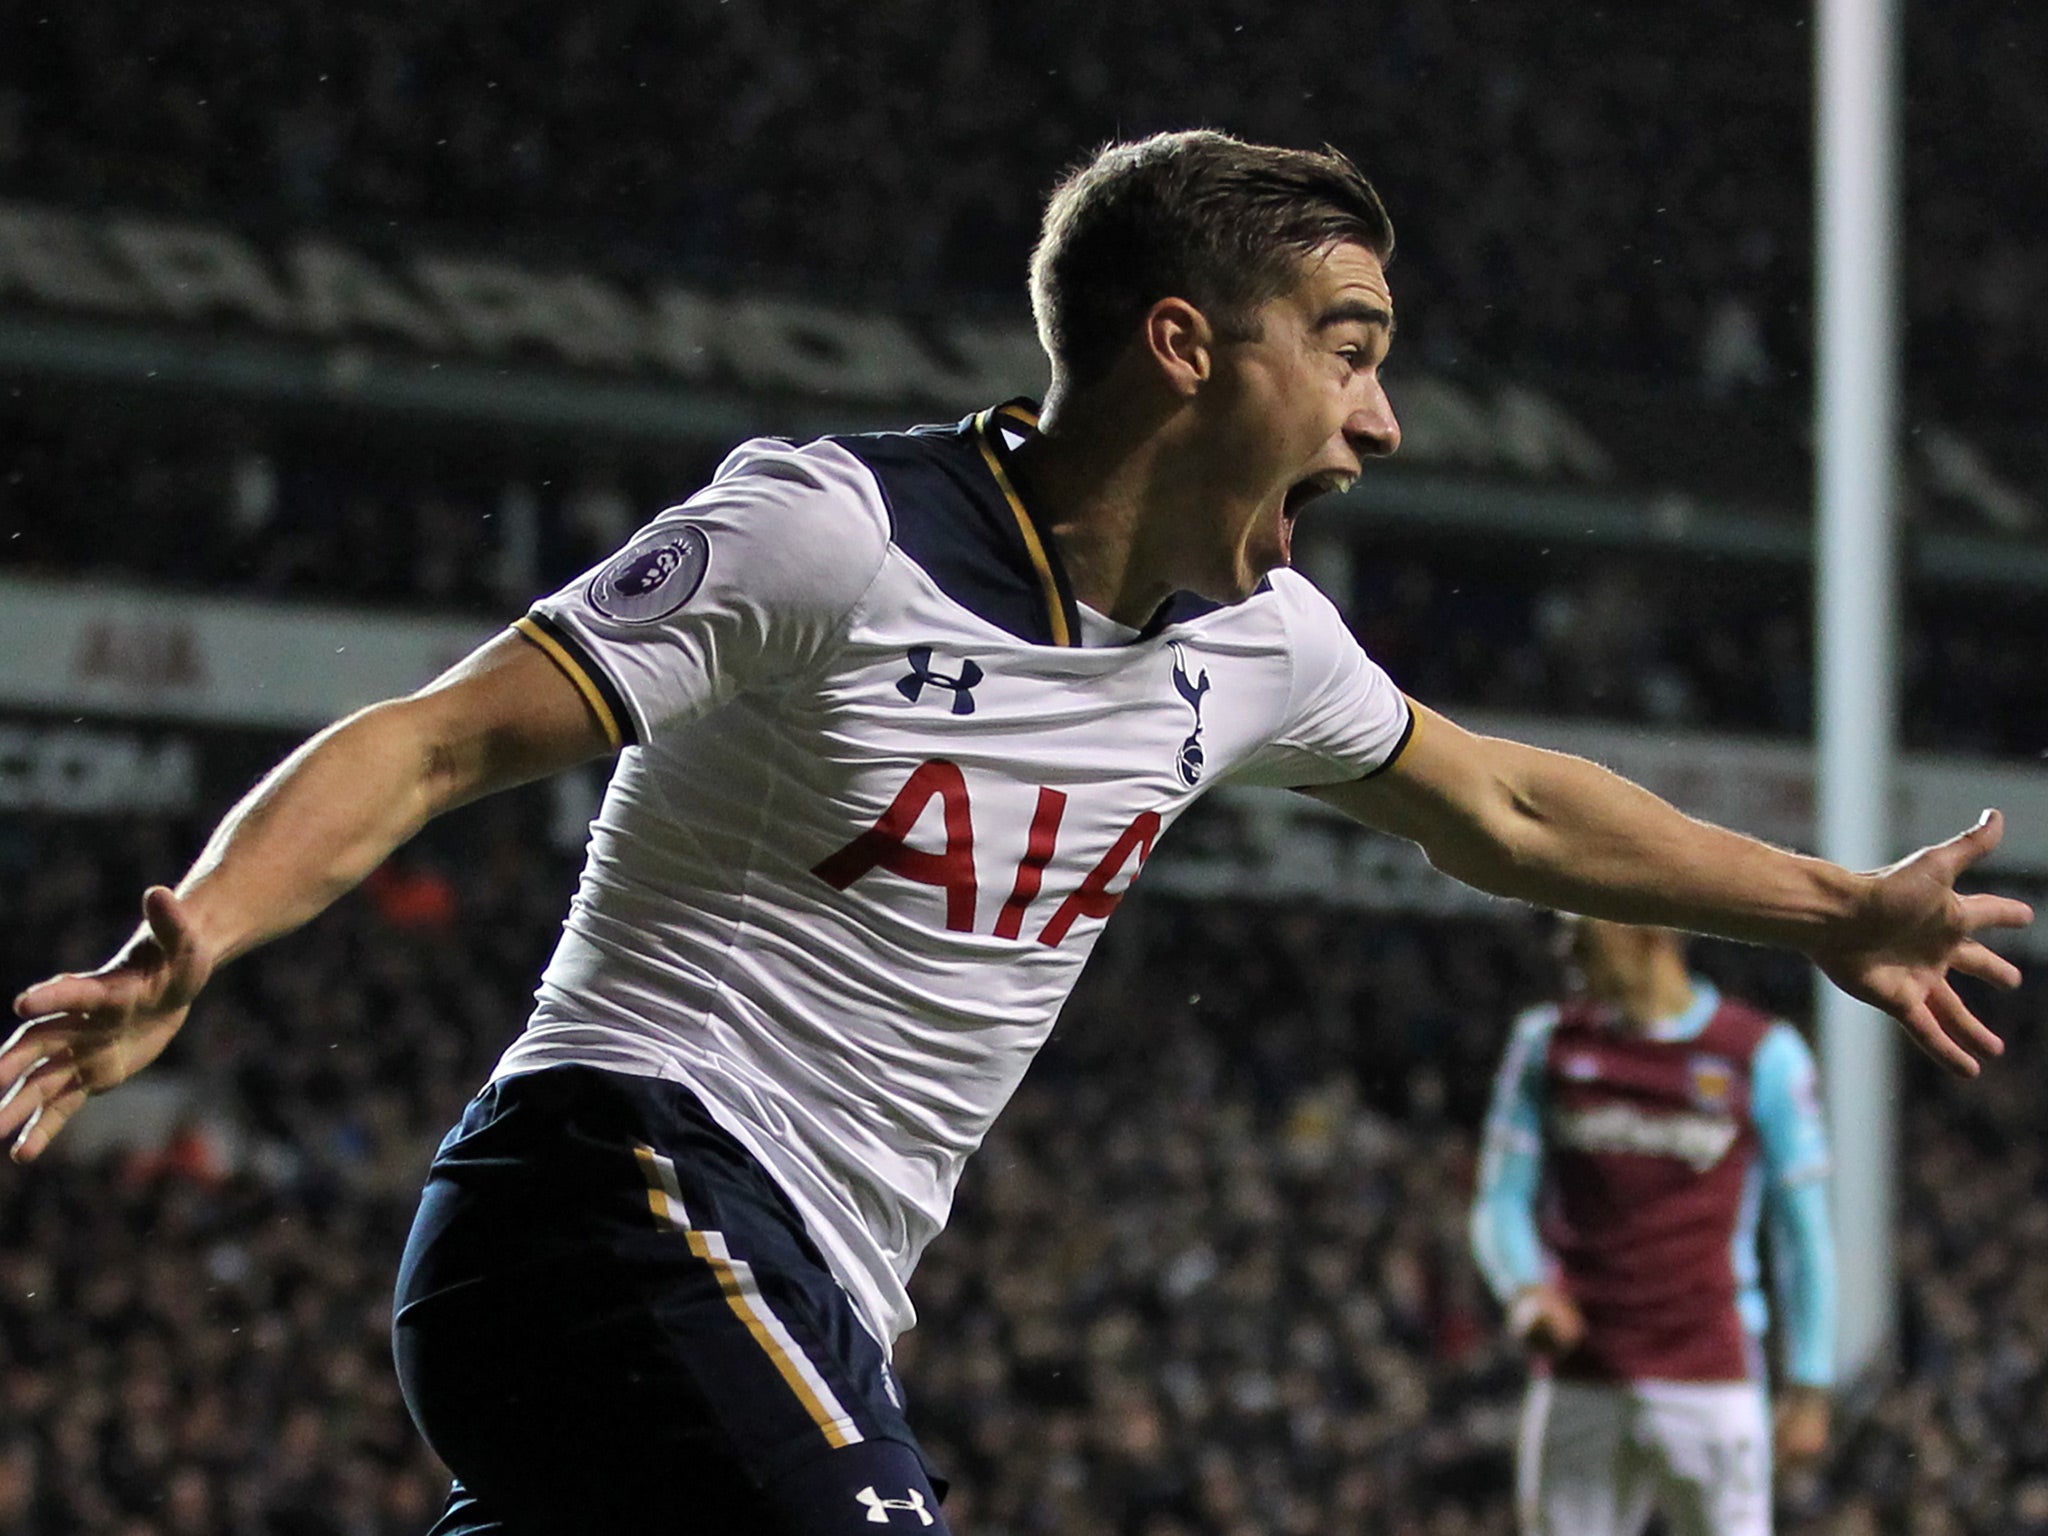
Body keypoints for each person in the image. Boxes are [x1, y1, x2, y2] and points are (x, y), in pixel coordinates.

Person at [1, 130, 2028, 1535]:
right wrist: (198, 939)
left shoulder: (1258, 640)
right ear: (1181, 343)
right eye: (1348, 344)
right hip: (617, 1201)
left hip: (788, 1296)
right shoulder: (826, 535)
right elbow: (445, 743)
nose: (1381, 419)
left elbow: (1501, 800)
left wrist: (1831, 905)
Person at [1471, 918, 1835, 1536]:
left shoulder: (1759, 1055)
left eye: (1579, 924)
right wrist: (1525, 1288)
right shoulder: (1546, 1044)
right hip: (1582, 1370)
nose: (1564, 946)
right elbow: (1500, 1199)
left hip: (1709, 1371)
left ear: (1647, 931)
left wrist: (1812, 1382)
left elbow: (1803, 1233)